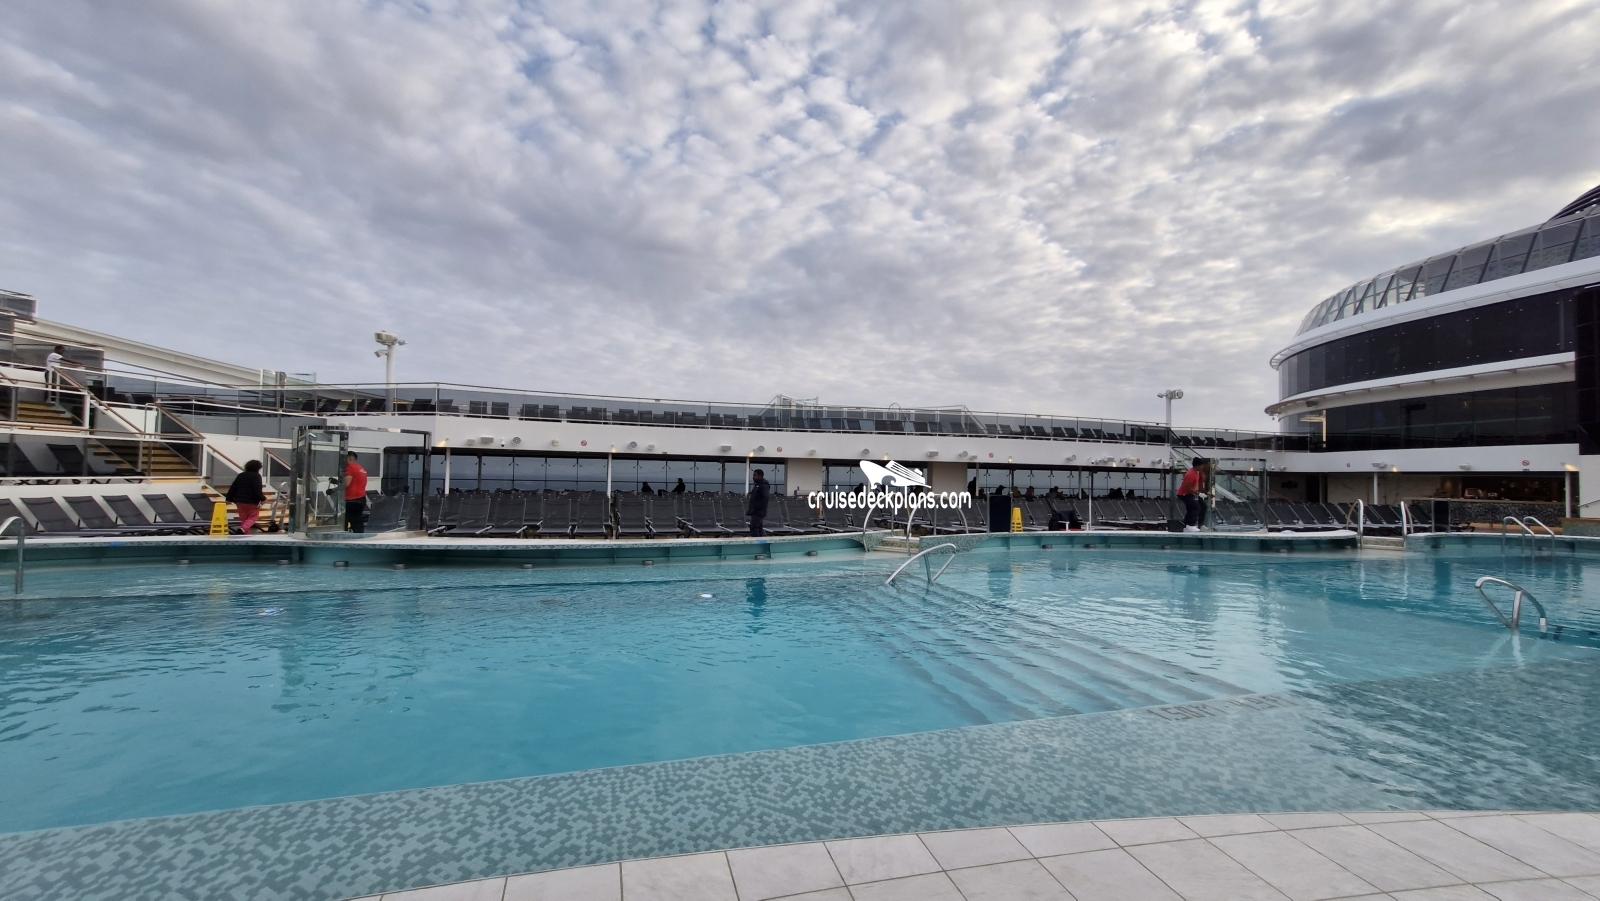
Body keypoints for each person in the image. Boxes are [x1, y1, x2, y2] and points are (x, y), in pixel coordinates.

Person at [226, 459, 266, 533]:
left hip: (239, 501)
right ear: (258, 468)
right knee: (253, 517)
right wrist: (263, 498)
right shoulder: (256, 476)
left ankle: (245, 533)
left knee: (244, 519)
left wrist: (229, 498)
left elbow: (233, 487)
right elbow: (257, 489)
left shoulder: (241, 475)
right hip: (252, 502)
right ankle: (243, 529)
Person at [1177, 457, 1208, 532]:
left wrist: (1201, 492)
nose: (1203, 467)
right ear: (1197, 465)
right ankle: (1190, 525)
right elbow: (1187, 487)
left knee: (1203, 506)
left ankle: (1199, 524)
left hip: (1192, 493)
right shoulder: (1191, 474)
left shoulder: (1197, 472)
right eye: (1202, 465)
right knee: (1195, 507)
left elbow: (1197, 485)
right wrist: (1198, 493)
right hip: (1184, 494)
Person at [344, 451, 369, 532]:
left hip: (352, 501)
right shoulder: (362, 468)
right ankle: (360, 536)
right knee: (357, 522)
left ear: (349, 458)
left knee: (343, 521)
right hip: (361, 499)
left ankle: (344, 537)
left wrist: (335, 489)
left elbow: (346, 483)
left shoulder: (350, 467)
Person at [746, 468, 770, 537]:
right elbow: (757, 495)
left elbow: (765, 498)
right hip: (755, 511)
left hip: (758, 511)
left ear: (760, 476)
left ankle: (756, 541)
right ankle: (762, 540)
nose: (753, 477)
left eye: (755, 475)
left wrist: (757, 508)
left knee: (754, 527)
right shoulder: (758, 484)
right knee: (758, 527)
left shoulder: (763, 485)